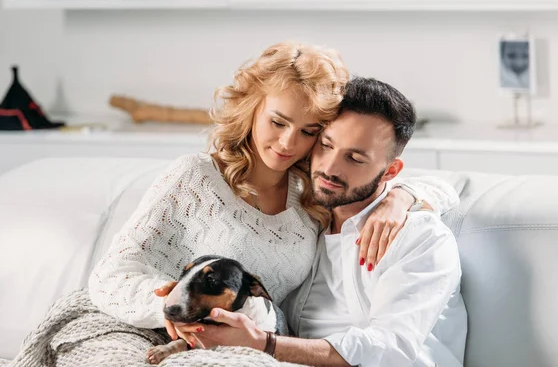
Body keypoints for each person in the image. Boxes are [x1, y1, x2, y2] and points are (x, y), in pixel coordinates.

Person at [89, 43, 458, 350]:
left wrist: (402, 197)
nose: (287, 143)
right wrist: (182, 308)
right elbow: (112, 275)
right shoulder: (196, 176)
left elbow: (449, 186)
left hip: (248, 352)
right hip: (158, 330)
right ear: (252, 108)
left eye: (308, 131)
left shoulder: (311, 198)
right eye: (278, 122)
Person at [177, 77, 467, 367]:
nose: (329, 168)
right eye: (325, 145)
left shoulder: (420, 238)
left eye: (354, 158)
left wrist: (265, 345)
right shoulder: (304, 216)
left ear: (391, 171)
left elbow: (390, 349)